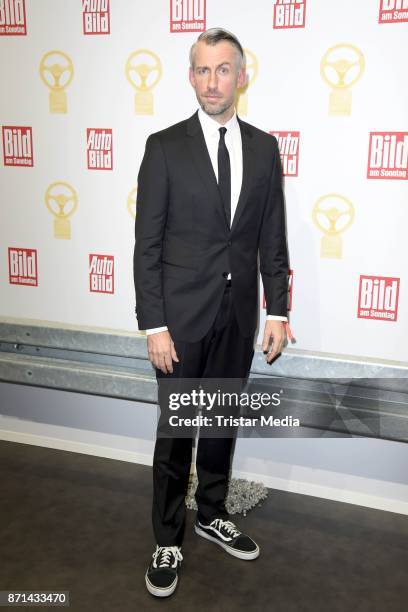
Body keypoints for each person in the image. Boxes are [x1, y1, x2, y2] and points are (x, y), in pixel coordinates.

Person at [133, 27, 289, 598]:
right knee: (176, 434)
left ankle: (212, 512)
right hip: (179, 321)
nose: (211, 81)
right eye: (201, 69)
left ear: (241, 76)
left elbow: (272, 236)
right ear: (190, 77)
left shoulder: (265, 148)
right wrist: (154, 323)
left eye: (223, 69)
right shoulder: (164, 147)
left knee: (220, 423)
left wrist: (277, 310)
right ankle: (167, 537)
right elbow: (146, 245)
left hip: (237, 317)